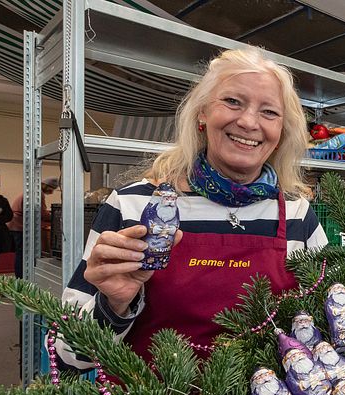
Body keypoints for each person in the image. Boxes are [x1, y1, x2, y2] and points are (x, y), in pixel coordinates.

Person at [58, 47, 328, 370]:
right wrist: (113, 305)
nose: (248, 122)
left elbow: (332, 324)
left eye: (269, 112)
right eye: (232, 102)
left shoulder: (298, 215)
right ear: (202, 113)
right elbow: (69, 354)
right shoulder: (135, 205)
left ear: (282, 131)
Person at [6, 177, 58, 278]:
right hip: (20, 227)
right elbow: (42, 213)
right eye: (51, 189)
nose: (51, 192)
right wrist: (56, 217)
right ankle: (23, 277)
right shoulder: (37, 194)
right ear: (46, 186)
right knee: (23, 253)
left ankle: (21, 276)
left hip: (15, 226)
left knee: (20, 253)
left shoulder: (31, 192)